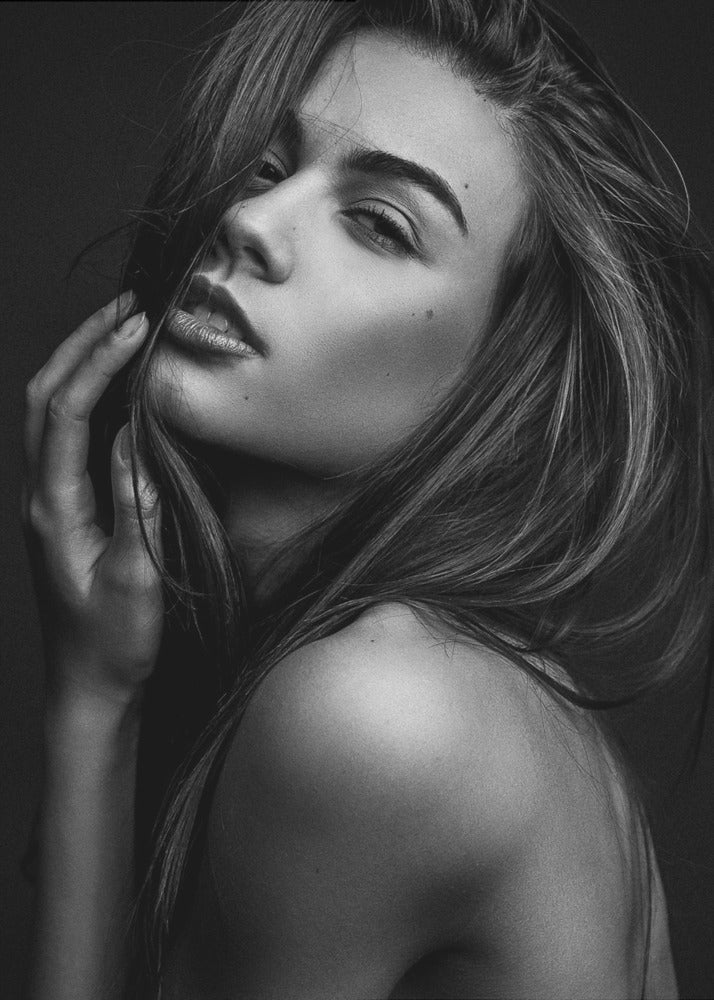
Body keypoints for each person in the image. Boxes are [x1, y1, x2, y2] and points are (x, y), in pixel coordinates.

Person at [21, 1, 713, 997]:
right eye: (268, 167)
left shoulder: (380, 715)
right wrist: (96, 691)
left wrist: (92, 706)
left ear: (496, 371)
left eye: (380, 224)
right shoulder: (472, 689)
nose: (250, 223)